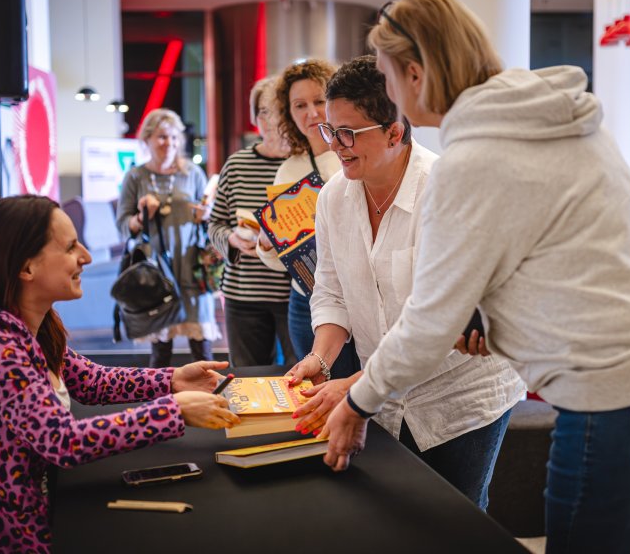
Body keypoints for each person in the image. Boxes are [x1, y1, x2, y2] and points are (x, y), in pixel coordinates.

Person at [320, 0, 630, 554]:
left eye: (385, 79)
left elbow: (429, 325)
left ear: (414, 73)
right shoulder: (550, 117)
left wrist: (359, 403)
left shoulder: (471, 159)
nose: (391, 99)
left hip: (617, 390)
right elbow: (571, 249)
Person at [0, 195, 239, 553]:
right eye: (71, 247)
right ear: (26, 268)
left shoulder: (20, 320)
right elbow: (62, 441)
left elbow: (88, 380)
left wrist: (170, 380)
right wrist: (174, 411)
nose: (86, 257)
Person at [285, 55, 524, 509]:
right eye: (329, 131)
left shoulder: (446, 191)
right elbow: (331, 289)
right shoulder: (334, 196)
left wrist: (358, 386)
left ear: (395, 131)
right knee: (394, 517)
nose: (336, 145)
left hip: (461, 395)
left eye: (349, 133)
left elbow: (440, 327)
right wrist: (322, 355)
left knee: (455, 520)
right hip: (382, 391)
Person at [256, 59, 361, 379]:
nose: (312, 113)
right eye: (300, 105)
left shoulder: (357, 156)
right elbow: (281, 261)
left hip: (360, 295)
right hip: (306, 301)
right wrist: (268, 243)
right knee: (314, 387)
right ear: (288, 113)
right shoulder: (287, 170)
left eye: (319, 101)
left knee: (358, 393)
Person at [116, 108, 221, 366]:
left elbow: (208, 218)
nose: (169, 144)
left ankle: (211, 400)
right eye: (162, 137)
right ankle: (158, 404)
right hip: (156, 271)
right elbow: (122, 224)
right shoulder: (135, 176)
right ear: (147, 139)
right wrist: (141, 215)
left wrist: (205, 214)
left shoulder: (192, 173)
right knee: (160, 350)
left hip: (191, 267)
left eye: (174, 138)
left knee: (202, 347)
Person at [208, 78, 296, 367]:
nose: (268, 120)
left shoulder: (305, 164)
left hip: (294, 292)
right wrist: (231, 239)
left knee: (303, 375)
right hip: (243, 292)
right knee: (249, 377)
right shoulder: (236, 165)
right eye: (262, 111)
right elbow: (215, 224)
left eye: (277, 110)